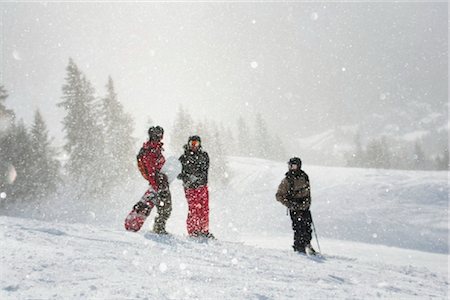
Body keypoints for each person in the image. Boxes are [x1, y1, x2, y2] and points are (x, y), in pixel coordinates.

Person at [276, 157, 316, 255]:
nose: (291, 167)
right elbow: (279, 195)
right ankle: (299, 247)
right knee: (298, 228)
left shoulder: (304, 176)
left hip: (304, 207)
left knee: (307, 226)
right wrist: (290, 204)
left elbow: (308, 192)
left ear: (298, 166)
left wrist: (307, 203)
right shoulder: (287, 179)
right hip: (294, 207)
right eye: (290, 165)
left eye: (293, 165)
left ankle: (307, 244)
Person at [135, 125, 172, 234]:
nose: (159, 137)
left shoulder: (156, 148)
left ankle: (159, 227)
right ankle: (158, 228)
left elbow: (158, 167)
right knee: (165, 208)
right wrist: (158, 185)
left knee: (166, 208)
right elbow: (151, 170)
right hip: (158, 184)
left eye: (160, 135)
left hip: (160, 183)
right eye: (157, 135)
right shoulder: (150, 150)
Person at [177, 135, 214, 238]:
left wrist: (198, 178)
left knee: (204, 208)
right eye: (192, 144)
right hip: (190, 187)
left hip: (202, 186)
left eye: (196, 144)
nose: (194, 146)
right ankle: (193, 231)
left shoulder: (204, 156)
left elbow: (205, 171)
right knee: (194, 208)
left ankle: (204, 230)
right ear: (188, 144)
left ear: (199, 144)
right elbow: (178, 173)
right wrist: (187, 177)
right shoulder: (183, 158)